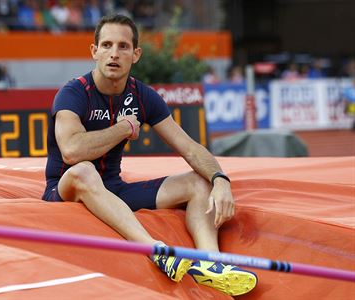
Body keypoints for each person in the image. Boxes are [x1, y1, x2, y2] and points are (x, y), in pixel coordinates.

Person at [42, 14, 257, 297]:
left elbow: (190, 148)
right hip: (66, 188)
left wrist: (220, 180)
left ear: (136, 54)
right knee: (84, 170)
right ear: (94, 52)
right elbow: (71, 152)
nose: (114, 54)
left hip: (114, 190)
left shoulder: (143, 96)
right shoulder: (73, 93)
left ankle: (212, 265)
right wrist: (122, 128)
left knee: (198, 182)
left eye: (123, 46)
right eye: (106, 45)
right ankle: (154, 248)